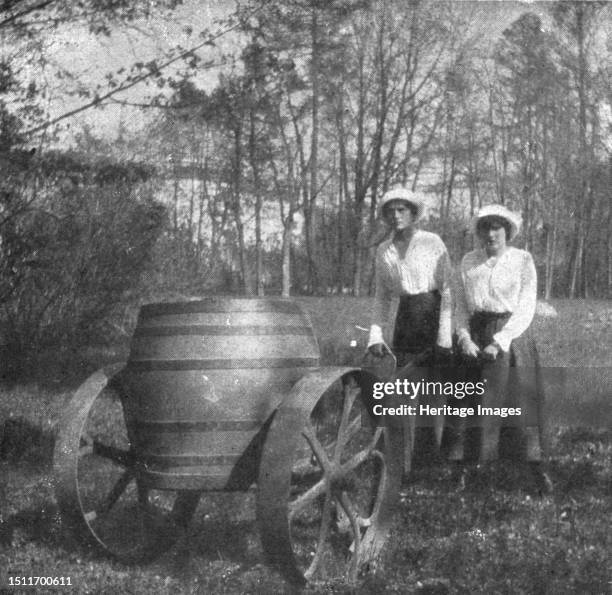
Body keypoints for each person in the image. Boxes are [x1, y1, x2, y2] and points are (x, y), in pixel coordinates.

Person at [442, 204, 551, 493]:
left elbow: (526, 307)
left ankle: (532, 472)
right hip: (475, 338)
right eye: (485, 228)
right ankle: (464, 471)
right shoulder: (467, 262)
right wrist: (464, 337)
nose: (490, 234)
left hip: (512, 337)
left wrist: (500, 341)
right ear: (478, 232)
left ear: (507, 232)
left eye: (496, 228)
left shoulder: (522, 260)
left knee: (518, 404)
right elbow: (460, 308)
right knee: (468, 404)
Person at [367, 187, 453, 469]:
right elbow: (382, 295)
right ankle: (398, 462)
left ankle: (429, 462)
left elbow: (448, 289)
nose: (397, 215)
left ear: (414, 213)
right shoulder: (383, 250)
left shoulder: (431, 242)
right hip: (405, 321)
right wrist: (376, 335)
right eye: (391, 210)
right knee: (402, 389)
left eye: (403, 209)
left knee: (433, 392)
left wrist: (444, 336)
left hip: (432, 313)